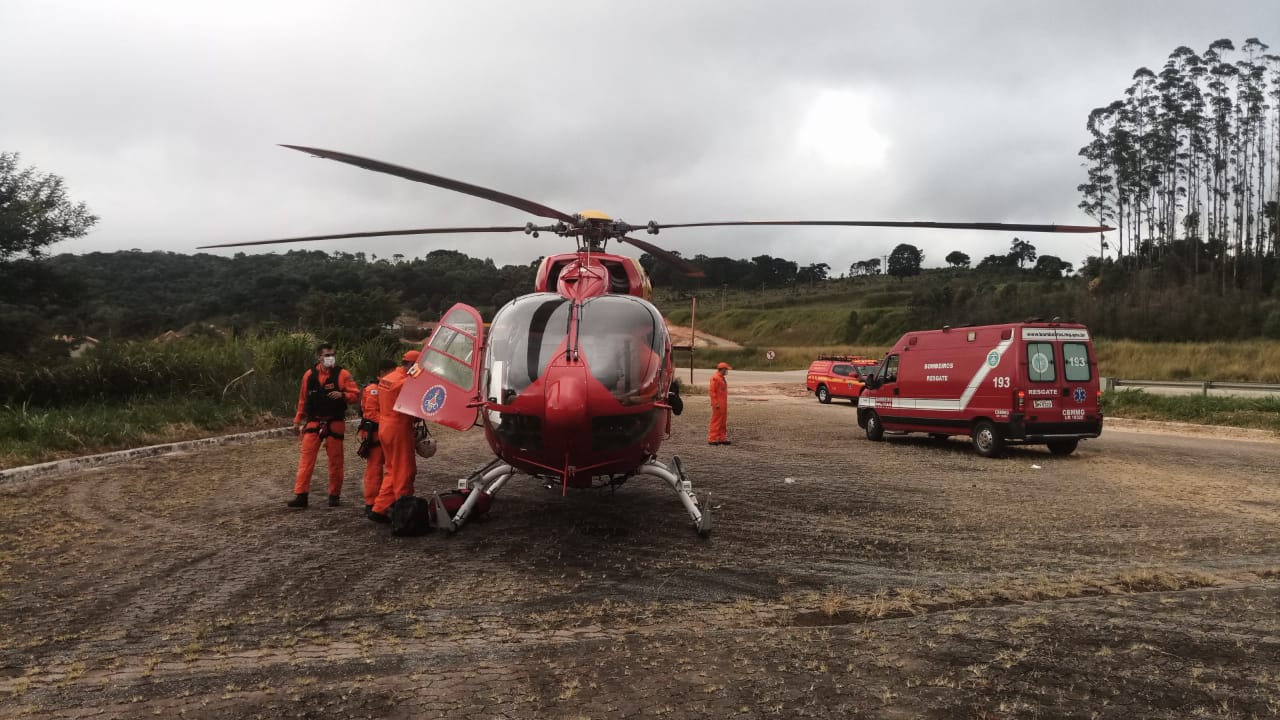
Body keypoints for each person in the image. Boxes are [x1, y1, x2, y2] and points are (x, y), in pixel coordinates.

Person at [288, 342, 360, 508]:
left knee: (336, 461)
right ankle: (301, 495)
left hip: (335, 421)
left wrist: (342, 394)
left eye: (332, 355)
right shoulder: (309, 375)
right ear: (319, 357)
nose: (330, 358)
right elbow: (303, 399)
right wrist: (297, 420)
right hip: (313, 421)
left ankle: (334, 495)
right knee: (306, 459)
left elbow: (355, 395)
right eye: (327, 355)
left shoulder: (343, 374)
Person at [369, 350, 421, 523]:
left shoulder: (389, 378)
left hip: (385, 428)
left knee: (392, 469)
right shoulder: (403, 381)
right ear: (412, 365)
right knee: (404, 470)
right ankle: (403, 513)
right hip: (399, 428)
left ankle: (379, 509)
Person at [357, 358, 398, 514]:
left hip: (387, 432)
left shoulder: (389, 387)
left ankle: (388, 499)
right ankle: (371, 502)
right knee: (374, 469)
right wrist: (390, 422)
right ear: (383, 372)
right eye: (392, 372)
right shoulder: (373, 389)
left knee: (392, 468)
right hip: (374, 434)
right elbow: (371, 413)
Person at [708, 361, 731, 445]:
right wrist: (715, 403)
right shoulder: (716, 378)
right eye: (726, 369)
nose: (727, 371)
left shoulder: (721, 378)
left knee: (723, 421)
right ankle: (712, 438)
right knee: (716, 421)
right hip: (718, 403)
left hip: (723, 403)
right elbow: (711, 391)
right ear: (723, 369)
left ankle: (722, 438)